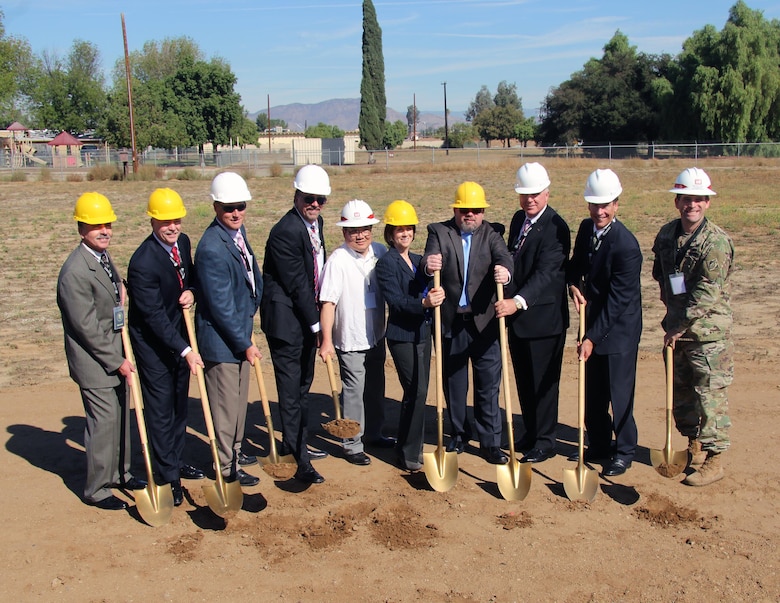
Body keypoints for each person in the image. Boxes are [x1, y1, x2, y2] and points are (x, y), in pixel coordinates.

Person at [57, 192, 146, 511]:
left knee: (121, 417)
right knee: (104, 421)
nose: (104, 230)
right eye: (96, 226)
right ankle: (96, 487)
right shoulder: (75, 272)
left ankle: (120, 474)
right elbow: (86, 328)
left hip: (114, 352)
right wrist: (118, 361)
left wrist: (120, 291)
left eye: (107, 224)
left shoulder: (102, 256)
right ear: (82, 228)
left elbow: (109, 293)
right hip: (95, 361)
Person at [652, 167, 733, 487]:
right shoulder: (667, 234)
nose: (692, 205)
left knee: (710, 394)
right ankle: (693, 444)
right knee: (682, 391)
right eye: (687, 199)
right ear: (677, 201)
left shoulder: (715, 242)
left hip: (707, 334)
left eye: (699, 199)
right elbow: (661, 272)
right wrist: (671, 314)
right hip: (678, 329)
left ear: (707, 203)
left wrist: (678, 324)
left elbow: (707, 295)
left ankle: (715, 459)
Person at [422, 181, 513, 465]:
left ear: (482, 212)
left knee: (488, 384)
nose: (469, 215)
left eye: (475, 210)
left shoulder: (492, 233)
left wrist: (505, 273)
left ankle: (491, 442)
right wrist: (429, 265)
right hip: (451, 321)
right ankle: (459, 434)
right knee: (454, 383)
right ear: (456, 210)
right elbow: (428, 259)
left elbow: (505, 259)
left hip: (486, 324)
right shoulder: (439, 231)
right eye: (464, 210)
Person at [126, 188, 206, 507]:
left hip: (178, 337)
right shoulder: (142, 263)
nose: (172, 227)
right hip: (153, 345)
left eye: (176, 220)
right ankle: (166, 475)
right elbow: (153, 317)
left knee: (179, 403)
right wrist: (185, 351)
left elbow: (191, 277)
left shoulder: (182, 243)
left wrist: (192, 291)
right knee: (160, 410)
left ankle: (175, 459)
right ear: (152, 221)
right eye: (164, 221)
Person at [566, 168, 642, 477]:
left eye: (606, 204)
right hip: (593, 324)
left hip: (619, 330)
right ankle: (598, 444)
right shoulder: (586, 229)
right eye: (595, 204)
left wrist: (591, 338)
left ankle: (624, 451)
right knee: (593, 393)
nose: (601, 211)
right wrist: (572, 285)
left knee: (619, 394)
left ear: (617, 204)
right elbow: (575, 267)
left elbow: (617, 302)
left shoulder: (627, 247)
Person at [261, 165, 333, 485]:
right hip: (287, 323)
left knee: (303, 387)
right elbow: (297, 284)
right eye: (309, 198)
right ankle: (298, 459)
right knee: (291, 392)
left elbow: (317, 271)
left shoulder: (316, 225)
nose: (314, 204)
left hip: (305, 318)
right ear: (296, 195)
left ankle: (296, 442)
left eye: (320, 199)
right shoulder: (285, 231)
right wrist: (318, 326)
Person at [495, 163, 570, 464]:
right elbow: (517, 259)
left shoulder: (556, 227)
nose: (530, 200)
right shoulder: (518, 220)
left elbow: (546, 274)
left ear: (547, 192)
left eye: (535, 194)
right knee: (525, 380)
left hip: (544, 321)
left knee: (543, 384)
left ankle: (546, 440)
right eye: (524, 194)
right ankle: (531, 431)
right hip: (520, 321)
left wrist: (518, 301)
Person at [194, 172, 263, 487]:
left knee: (237, 407)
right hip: (222, 342)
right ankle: (224, 467)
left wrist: (250, 315)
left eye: (240, 206)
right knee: (225, 409)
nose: (236, 213)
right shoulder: (211, 248)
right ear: (215, 207)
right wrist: (244, 342)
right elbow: (220, 307)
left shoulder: (238, 232)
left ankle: (233, 455)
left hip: (240, 334)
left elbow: (250, 277)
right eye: (228, 208)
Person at [318, 199, 393, 466]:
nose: (360, 235)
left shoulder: (380, 252)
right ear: (344, 233)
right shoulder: (337, 261)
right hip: (349, 338)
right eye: (353, 230)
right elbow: (327, 303)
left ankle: (374, 432)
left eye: (364, 229)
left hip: (375, 334)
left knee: (376, 386)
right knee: (353, 390)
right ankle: (352, 443)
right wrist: (326, 340)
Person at [376, 200, 446, 472]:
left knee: (419, 392)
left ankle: (407, 447)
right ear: (390, 233)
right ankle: (408, 454)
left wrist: (435, 292)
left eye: (408, 229)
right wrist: (424, 304)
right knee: (415, 391)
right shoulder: (386, 264)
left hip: (423, 333)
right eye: (399, 229)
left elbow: (427, 286)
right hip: (401, 335)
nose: (404, 234)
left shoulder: (419, 261)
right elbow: (396, 301)